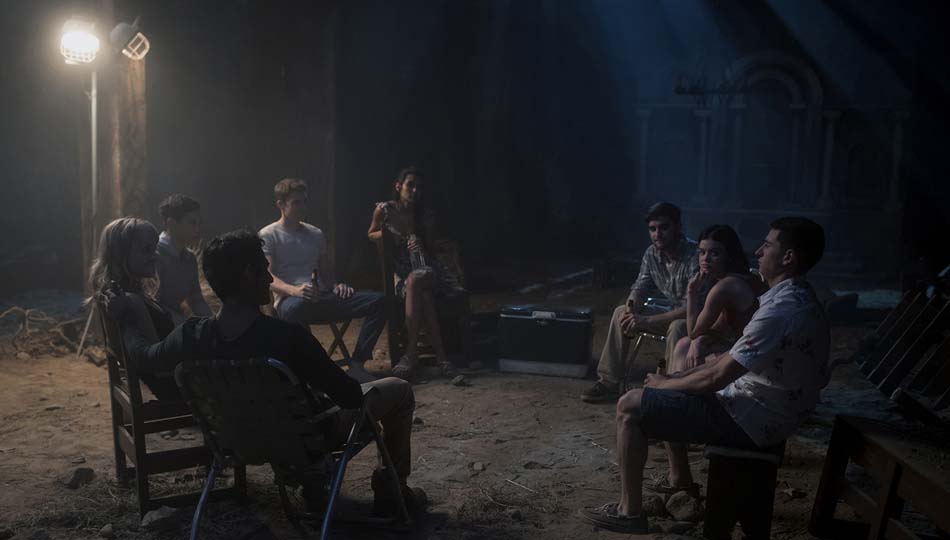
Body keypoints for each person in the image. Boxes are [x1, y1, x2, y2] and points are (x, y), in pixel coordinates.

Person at [109, 230, 423, 515]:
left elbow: (143, 356)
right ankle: (391, 491)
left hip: (234, 440)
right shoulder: (287, 338)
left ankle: (314, 486)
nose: (270, 279)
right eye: (264, 270)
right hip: (303, 441)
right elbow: (350, 396)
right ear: (248, 275)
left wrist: (125, 318)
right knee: (399, 390)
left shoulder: (190, 336)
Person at [577, 217, 830, 534]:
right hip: (763, 406)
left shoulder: (781, 310)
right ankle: (678, 478)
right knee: (681, 366)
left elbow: (716, 377)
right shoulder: (791, 297)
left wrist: (666, 385)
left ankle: (629, 512)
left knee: (629, 406)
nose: (758, 251)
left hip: (753, 417)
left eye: (767, 246)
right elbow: (728, 358)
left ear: (788, 257)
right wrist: (672, 380)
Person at [260, 178, 385, 384]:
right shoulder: (268, 234)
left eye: (304, 202)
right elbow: (268, 278)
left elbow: (327, 274)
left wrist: (337, 285)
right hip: (290, 302)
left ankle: (357, 365)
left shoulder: (315, 233)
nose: (302, 207)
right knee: (295, 308)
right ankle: (313, 370)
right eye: (296, 203)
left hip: (322, 297)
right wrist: (295, 291)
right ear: (280, 204)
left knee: (379, 301)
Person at [581, 202, 698, 403]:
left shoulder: (695, 255)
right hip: (671, 313)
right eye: (652, 229)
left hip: (697, 320)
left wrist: (645, 321)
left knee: (678, 327)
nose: (657, 234)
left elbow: (691, 308)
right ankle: (609, 382)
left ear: (678, 227)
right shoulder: (652, 253)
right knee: (620, 312)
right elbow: (640, 288)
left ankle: (669, 391)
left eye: (664, 227)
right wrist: (631, 309)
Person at [367, 166, 464, 378]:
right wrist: (389, 236)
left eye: (419, 187)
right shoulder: (384, 210)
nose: (414, 191)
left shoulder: (424, 215)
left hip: (428, 269)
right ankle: (442, 359)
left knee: (418, 278)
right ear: (398, 186)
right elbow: (371, 234)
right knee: (423, 295)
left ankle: (410, 354)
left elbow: (431, 249)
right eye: (410, 185)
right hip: (402, 273)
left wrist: (420, 244)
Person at [88, 217, 180, 400]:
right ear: (121, 255)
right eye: (146, 250)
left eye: (154, 248)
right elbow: (158, 365)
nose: (155, 255)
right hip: (175, 384)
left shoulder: (124, 296)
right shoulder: (130, 301)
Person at [670, 224, 765, 372]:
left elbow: (693, 332)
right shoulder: (738, 277)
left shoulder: (725, 287)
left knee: (684, 347)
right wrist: (699, 340)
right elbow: (713, 328)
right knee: (684, 344)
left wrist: (692, 292)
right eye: (702, 252)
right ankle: (670, 384)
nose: (705, 259)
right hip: (740, 345)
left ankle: (671, 385)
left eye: (714, 253)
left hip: (748, 353)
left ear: (729, 256)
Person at [155, 194, 213, 325]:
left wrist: (213, 324)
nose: (197, 229)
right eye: (192, 223)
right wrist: (185, 325)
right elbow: (154, 304)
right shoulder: (155, 255)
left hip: (178, 324)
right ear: (171, 223)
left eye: (199, 223)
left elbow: (196, 300)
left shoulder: (189, 258)